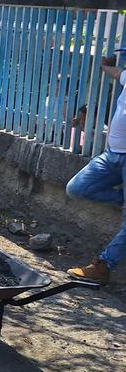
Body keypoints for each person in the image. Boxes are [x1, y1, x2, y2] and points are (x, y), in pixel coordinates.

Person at [65, 50, 126, 283]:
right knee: (77, 188)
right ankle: (121, 200)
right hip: (112, 155)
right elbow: (117, 72)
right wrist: (105, 65)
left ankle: (104, 266)